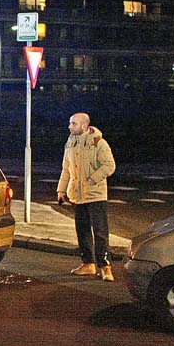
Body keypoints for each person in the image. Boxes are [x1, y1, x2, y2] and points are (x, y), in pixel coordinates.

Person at [57, 112, 117, 282]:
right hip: (77, 195)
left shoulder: (99, 143)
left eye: (73, 124)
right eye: (70, 123)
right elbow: (66, 168)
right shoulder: (70, 143)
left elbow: (110, 166)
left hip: (95, 195)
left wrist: (92, 179)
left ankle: (105, 266)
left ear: (84, 125)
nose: (70, 127)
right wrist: (61, 190)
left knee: (100, 232)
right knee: (82, 231)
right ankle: (88, 264)